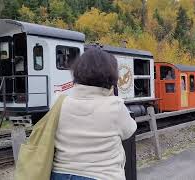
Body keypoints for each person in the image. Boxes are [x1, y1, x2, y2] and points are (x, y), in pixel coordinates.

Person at [51, 48, 137, 180]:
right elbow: (130, 130)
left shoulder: (59, 102)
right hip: (101, 175)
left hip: (60, 174)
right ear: (111, 76)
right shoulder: (115, 107)